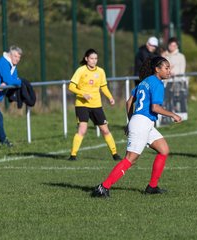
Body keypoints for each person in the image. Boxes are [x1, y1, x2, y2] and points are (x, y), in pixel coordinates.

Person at [92, 56, 182, 198]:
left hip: (143, 122)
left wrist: (130, 121)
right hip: (142, 123)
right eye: (166, 68)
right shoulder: (157, 84)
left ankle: (152, 187)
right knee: (130, 159)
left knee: (163, 150)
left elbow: (129, 102)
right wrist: (172, 115)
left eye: (169, 68)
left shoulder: (145, 82)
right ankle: (103, 187)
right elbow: (155, 107)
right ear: (157, 69)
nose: (169, 71)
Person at [68, 48, 121, 161]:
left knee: (105, 130)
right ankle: (73, 155)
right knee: (82, 129)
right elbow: (71, 86)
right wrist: (83, 94)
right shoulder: (80, 70)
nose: (94, 61)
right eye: (91, 58)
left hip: (96, 105)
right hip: (82, 104)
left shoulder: (100, 71)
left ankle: (115, 154)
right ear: (86, 59)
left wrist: (110, 97)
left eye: (96, 58)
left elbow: (104, 87)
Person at [162, 37, 188, 124]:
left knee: (178, 101)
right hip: (166, 82)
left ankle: (180, 118)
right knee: (167, 101)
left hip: (178, 82)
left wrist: (173, 73)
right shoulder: (164, 56)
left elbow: (182, 70)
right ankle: (167, 119)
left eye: (174, 45)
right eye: (171, 45)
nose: (172, 47)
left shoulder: (181, 56)